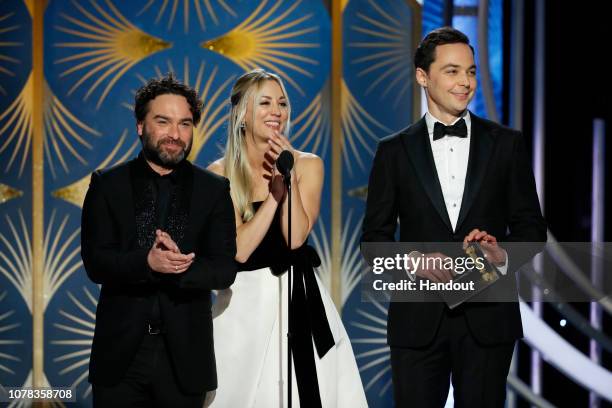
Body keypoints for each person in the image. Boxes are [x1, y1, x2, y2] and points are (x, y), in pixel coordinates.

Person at [361, 27, 546, 407]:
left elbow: (532, 229)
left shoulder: (506, 144)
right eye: (452, 71)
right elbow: (374, 241)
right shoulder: (393, 151)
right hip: (417, 321)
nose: (465, 82)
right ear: (422, 76)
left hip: (488, 319)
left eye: (471, 71)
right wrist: (413, 261)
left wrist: (501, 255)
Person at [205, 69, 367, 407]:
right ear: (242, 114)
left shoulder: (309, 165)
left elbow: (295, 239)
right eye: (265, 102)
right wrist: (273, 199)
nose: (277, 111)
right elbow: (240, 249)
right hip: (241, 306)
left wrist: (287, 178)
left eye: (282, 103)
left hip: (298, 298)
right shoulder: (219, 174)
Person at [81, 73, 237, 407]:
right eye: (163, 122)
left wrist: (181, 268)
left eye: (185, 124)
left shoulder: (214, 190)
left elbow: (224, 270)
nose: (175, 135)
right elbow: (96, 262)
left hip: (185, 360)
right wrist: (147, 262)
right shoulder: (108, 185)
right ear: (140, 125)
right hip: (121, 357)